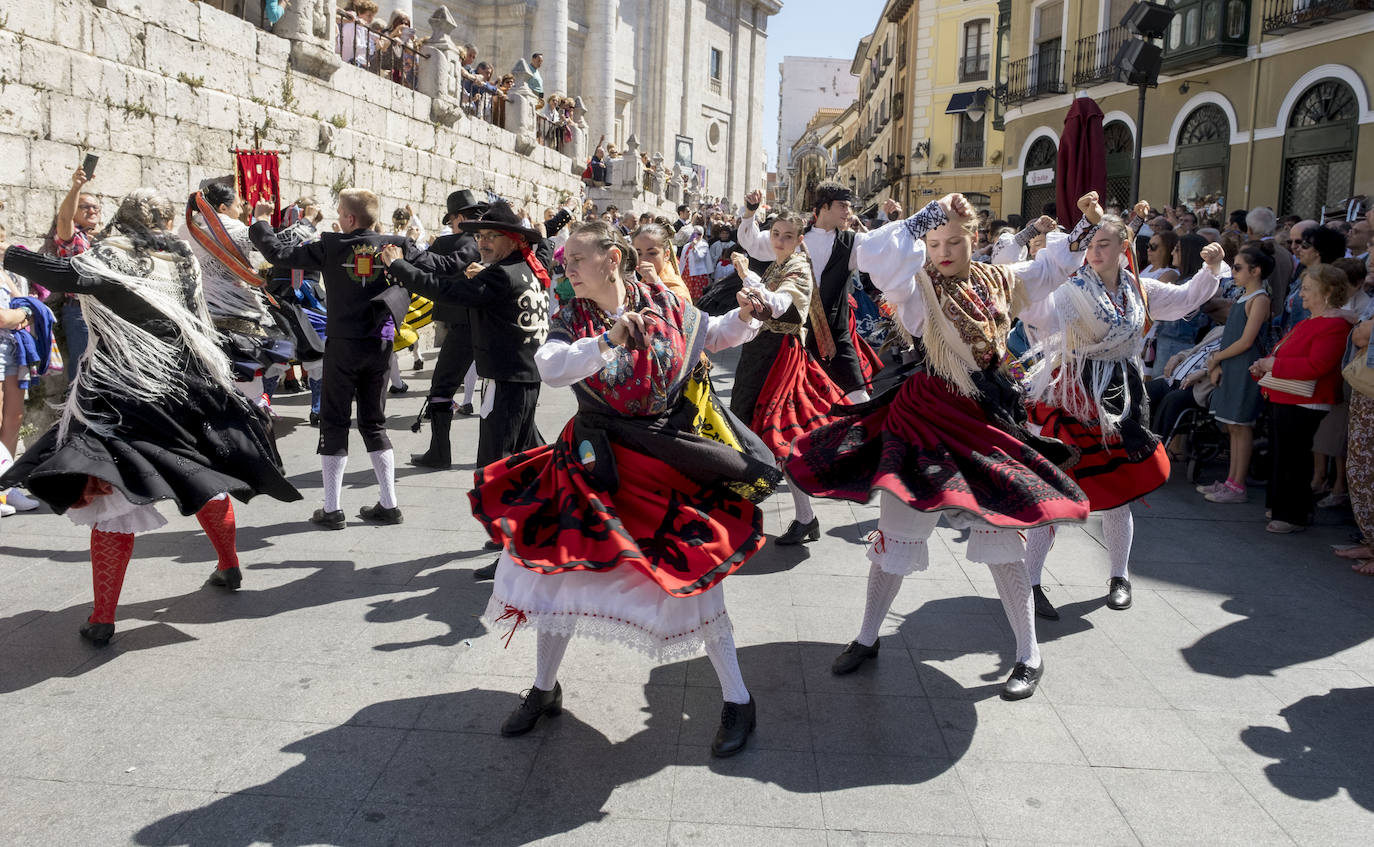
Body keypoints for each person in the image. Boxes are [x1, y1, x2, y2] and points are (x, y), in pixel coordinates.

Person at [469, 221, 778, 755]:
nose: (567, 270)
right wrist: (606, 340)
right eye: (566, 262)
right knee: (556, 575)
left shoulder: (664, 300)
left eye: (578, 261)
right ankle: (544, 690)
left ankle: (739, 700)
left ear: (612, 258)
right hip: (593, 458)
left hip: (660, 455)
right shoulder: (569, 314)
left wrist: (747, 316)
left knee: (695, 578)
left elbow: (713, 333)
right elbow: (552, 367)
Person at [786, 192, 1102, 700]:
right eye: (935, 242)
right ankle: (867, 636)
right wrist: (923, 217)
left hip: (982, 419)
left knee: (1001, 538)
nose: (944, 251)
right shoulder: (915, 290)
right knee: (897, 534)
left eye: (954, 241)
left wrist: (1085, 226)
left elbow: (1047, 270)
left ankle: (1028, 653)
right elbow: (875, 256)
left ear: (973, 239)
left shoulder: (1000, 280)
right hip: (925, 417)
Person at [0, 189, 301, 644]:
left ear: (121, 219)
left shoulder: (111, 258)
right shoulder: (182, 260)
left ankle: (102, 618)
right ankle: (229, 564)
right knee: (202, 476)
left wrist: (6, 251)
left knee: (113, 500)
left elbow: (55, 272)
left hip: (123, 391)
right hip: (187, 383)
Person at [1018, 212, 1225, 619]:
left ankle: (1119, 576)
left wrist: (1211, 268)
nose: (1094, 252)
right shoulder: (1069, 287)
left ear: (1123, 248)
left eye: (1104, 244)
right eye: (1090, 244)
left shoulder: (1139, 289)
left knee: (1119, 495)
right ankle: (1030, 584)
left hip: (1121, 395)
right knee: (1053, 491)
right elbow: (1036, 310)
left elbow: (1185, 299)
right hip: (1073, 394)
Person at [249, 188, 413, 529]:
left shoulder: (332, 246)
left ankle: (332, 508)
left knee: (334, 421)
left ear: (350, 219)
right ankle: (389, 503)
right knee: (374, 422)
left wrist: (262, 221)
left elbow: (279, 253)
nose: (337, 217)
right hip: (381, 343)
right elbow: (436, 266)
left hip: (343, 345)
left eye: (340, 212)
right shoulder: (395, 244)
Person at [726, 207, 847, 544]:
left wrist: (751, 281)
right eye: (776, 234)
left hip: (780, 355)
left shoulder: (798, 268)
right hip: (761, 351)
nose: (780, 241)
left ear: (798, 240)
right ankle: (800, 517)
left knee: (774, 432)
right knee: (754, 428)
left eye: (787, 236)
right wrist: (748, 275)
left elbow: (783, 303)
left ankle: (783, 515)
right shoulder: (779, 265)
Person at [737, 182, 877, 404]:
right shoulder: (794, 236)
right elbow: (753, 243)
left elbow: (884, 248)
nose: (848, 212)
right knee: (772, 400)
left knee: (859, 397)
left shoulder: (853, 242)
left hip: (831, 336)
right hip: (791, 336)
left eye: (849, 206)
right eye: (842, 206)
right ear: (824, 207)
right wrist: (750, 212)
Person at [1251, 264, 1356, 533]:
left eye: (1308, 289)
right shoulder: (1312, 321)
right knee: (1284, 455)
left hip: (1305, 399)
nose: (1301, 295)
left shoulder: (1334, 324)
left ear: (1328, 291)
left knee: (1293, 458)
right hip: (1287, 396)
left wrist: (1271, 364)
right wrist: (1265, 365)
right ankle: (1283, 508)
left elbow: (1317, 366)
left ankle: (1292, 515)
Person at [181, 182, 292, 407]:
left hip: (198, 309)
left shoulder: (187, 227)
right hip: (233, 311)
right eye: (239, 206)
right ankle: (257, 412)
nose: (241, 211)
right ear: (222, 208)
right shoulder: (226, 226)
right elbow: (276, 246)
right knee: (250, 372)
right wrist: (262, 219)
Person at [409, 189, 488, 470]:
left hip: (464, 326)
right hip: (491, 324)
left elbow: (436, 267)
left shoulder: (455, 243)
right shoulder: (494, 240)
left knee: (442, 387)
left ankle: (440, 453)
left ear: (457, 218)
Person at [1199, 244, 1275, 503]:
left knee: (1241, 426)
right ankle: (1230, 480)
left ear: (1256, 271)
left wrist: (1216, 358)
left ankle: (1237, 486)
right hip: (1232, 366)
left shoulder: (1260, 299)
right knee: (1232, 426)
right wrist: (1218, 362)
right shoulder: (1243, 297)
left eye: (1239, 267)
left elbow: (1246, 341)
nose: (1233, 272)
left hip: (1245, 368)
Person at [48, 166, 101, 382]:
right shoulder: (71, 237)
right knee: (82, 373)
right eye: (85, 207)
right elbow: (64, 219)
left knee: (100, 374)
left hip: (101, 313)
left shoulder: (96, 239)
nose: (92, 211)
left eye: (96, 207)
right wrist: (77, 187)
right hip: (80, 312)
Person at [631, 223, 692, 302]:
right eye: (639, 254)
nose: (644, 260)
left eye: (652, 253)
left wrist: (656, 284)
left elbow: (682, 311)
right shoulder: (641, 279)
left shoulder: (674, 286)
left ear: (666, 255)